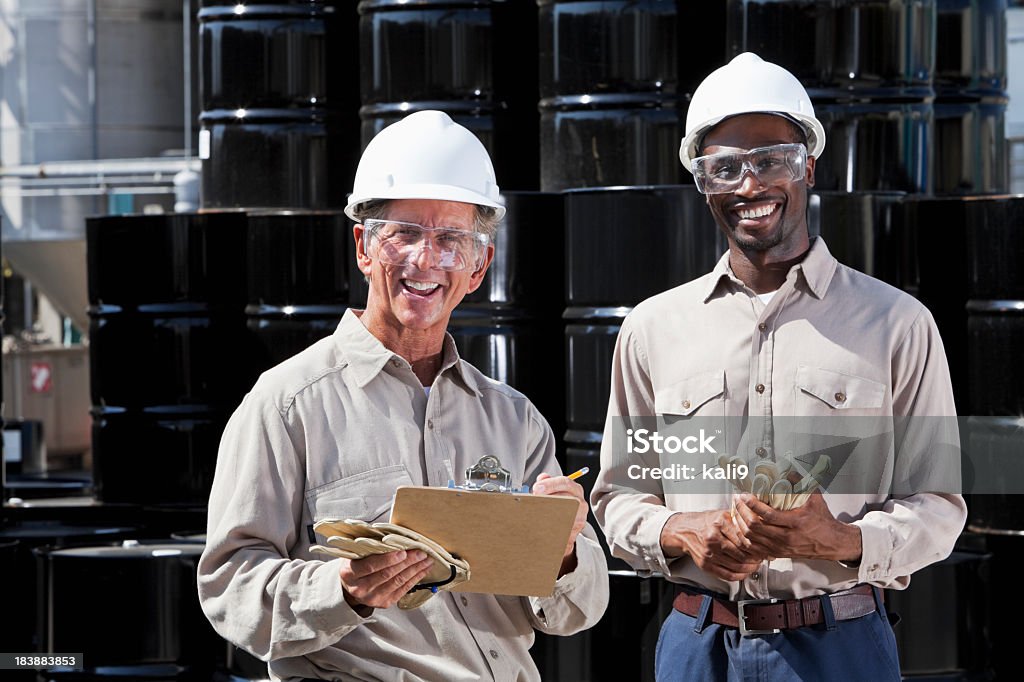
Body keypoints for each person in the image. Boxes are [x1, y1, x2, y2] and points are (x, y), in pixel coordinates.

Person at [590, 53, 966, 681]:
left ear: (809, 166)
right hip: (696, 644)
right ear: (703, 181)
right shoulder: (652, 329)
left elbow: (940, 507)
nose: (748, 185)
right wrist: (684, 530)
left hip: (841, 646)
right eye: (724, 168)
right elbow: (618, 496)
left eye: (771, 161)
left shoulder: (897, 324)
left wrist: (840, 540)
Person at [198, 110, 609, 682]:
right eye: (405, 234)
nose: (426, 260)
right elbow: (229, 586)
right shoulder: (288, 404)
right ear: (365, 247)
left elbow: (578, 611)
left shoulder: (515, 421)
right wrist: (340, 589)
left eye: (450, 240)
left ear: (478, 265)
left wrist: (562, 553)